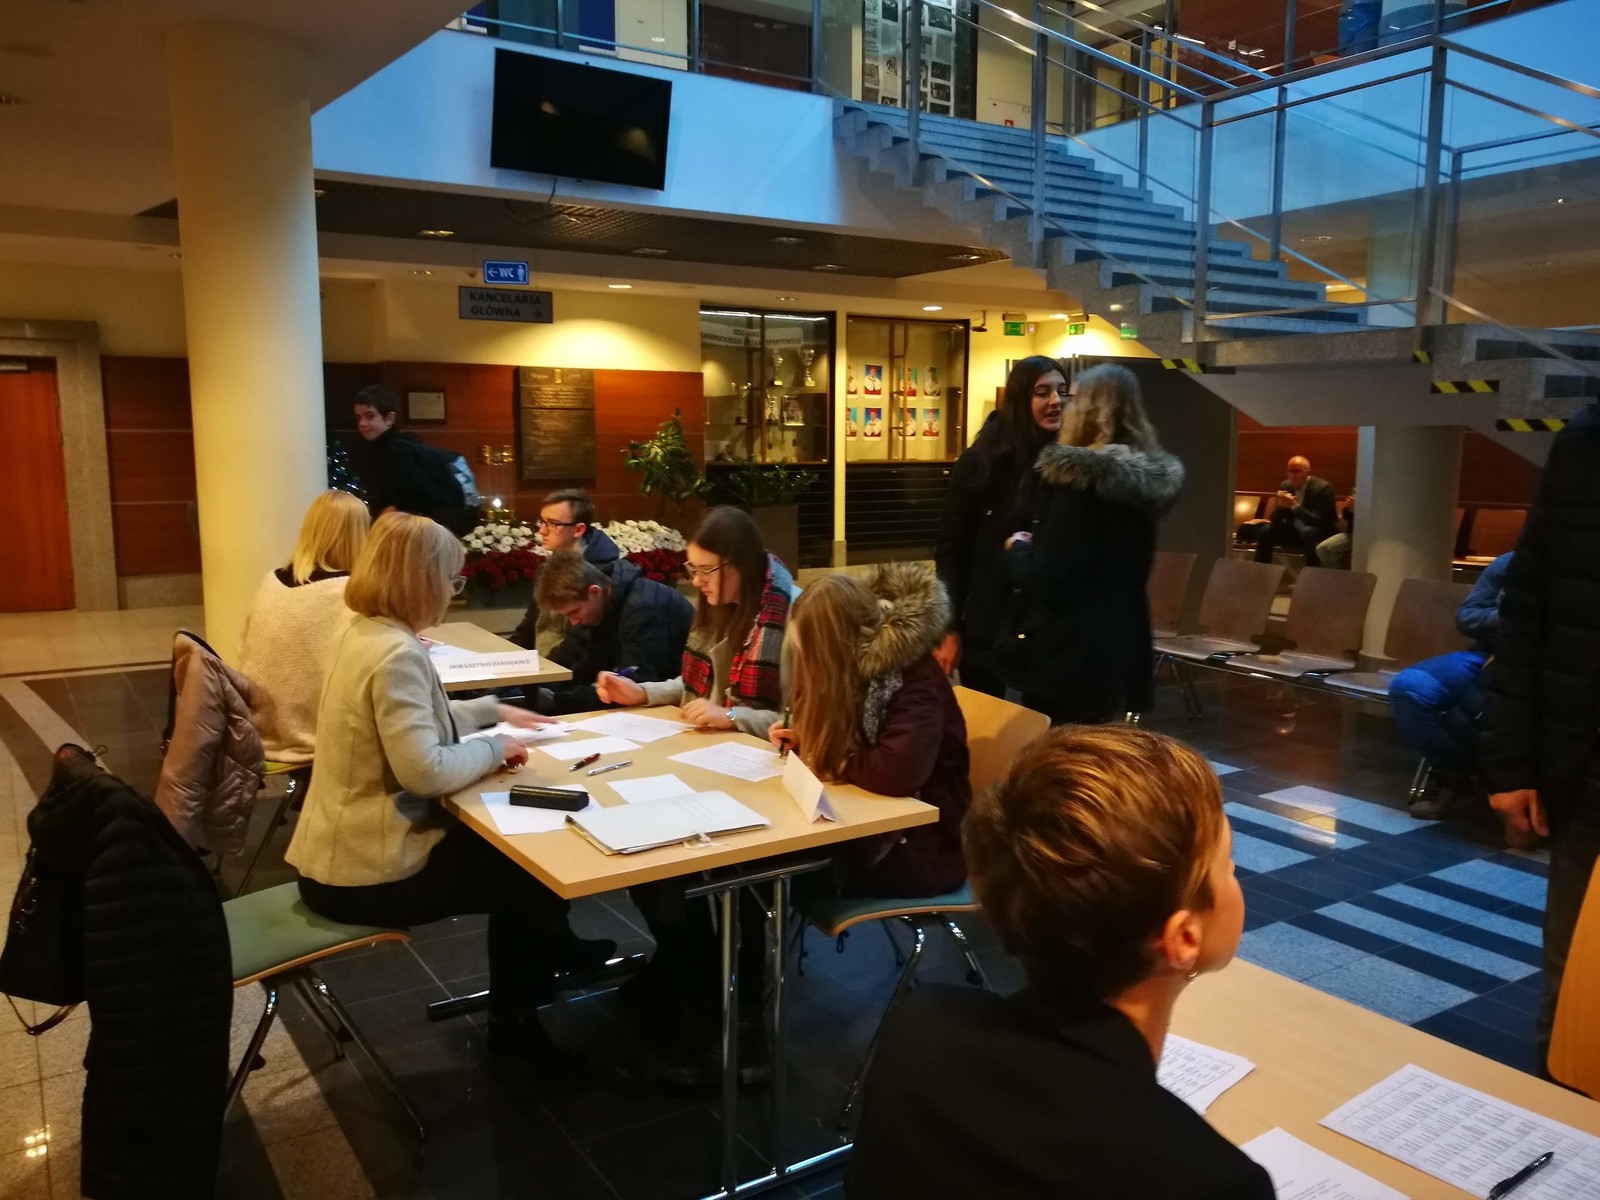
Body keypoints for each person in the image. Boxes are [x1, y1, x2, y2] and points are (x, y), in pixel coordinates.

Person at [848, 726, 1268, 1200]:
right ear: (1183, 938)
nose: (1236, 874)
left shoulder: (920, 1028)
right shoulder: (1209, 1180)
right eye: (1227, 863)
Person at [284, 513, 612, 1071]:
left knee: (517, 869)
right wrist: (498, 747)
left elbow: (414, 723)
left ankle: (547, 964)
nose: (453, 592)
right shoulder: (396, 653)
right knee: (527, 874)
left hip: (332, 854)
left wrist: (492, 711)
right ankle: (519, 1030)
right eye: (450, 579)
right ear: (420, 579)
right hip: (365, 872)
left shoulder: (364, 633)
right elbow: (426, 771)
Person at [1481, 401, 1600, 1072]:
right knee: (1576, 997)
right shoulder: (1585, 443)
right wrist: (1511, 764)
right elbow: (1525, 610)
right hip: (1587, 775)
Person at [768, 564, 970, 897]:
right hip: (872, 831)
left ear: (836, 648)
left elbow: (897, 771)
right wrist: (807, 738)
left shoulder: (912, 677)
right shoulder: (859, 667)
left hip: (921, 848)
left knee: (767, 870)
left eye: (813, 656)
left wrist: (834, 758)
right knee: (759, 862)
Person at [998, 364, 1184, 725]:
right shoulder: (1143, 485)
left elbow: (1049, 577)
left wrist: (1016, 548)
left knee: (1060, 746)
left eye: (1072, 399)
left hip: (1068, 649)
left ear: (1086, 410)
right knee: (1093, 743)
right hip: (1118, 638)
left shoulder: (1078, 484)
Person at [595, 505, 795, 737]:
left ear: (743, 566)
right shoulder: (727, 605)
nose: (697, 582)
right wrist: (642, 692)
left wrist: (731, 715)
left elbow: (798, 720)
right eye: (694, 569)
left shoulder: (790, 616)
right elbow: (698, 685)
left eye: (707, 570)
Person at [934, 355, 1066, 697]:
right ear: (1020, 398)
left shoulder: (1070, 463)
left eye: (1061, 391)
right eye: (1042, 392)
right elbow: (952, 550)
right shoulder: (981, 462)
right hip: (988, 624)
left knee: (1047, 724)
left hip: (1048, 628)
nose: (1055, 401)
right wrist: (949, 627)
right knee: (991, 719)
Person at [237, 490, 370, 763]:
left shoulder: (271, 580)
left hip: (257, 727)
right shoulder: (349, 592)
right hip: (316, 735)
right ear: (358, 534)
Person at [1390, 552, 1511, 820]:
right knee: (1408, 688)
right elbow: (1467, 617)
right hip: (1488, 654)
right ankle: (1456, 773)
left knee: (1496, 702)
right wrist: (1507, 617)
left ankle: (1504, 784)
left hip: (1552, 667)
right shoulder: (1510, 563)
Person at [527, 547, 693, 715]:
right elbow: (591, 663)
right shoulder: (606, 602)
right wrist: (545, 691)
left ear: (595, 592)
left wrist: (558, 700)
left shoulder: (643, 609)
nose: (573, 622)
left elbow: (635, 680)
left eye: (574, 612)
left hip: (677, 704)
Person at [508, 488, 621, 656]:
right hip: (543, 661)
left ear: (578, 529)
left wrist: (540, 670)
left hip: (565, 667)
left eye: (553, 524)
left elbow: (579, 645)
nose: (542, 530)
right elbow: (529, 624)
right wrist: (507, 656)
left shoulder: (601, 572)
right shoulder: (553, 564)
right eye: (542, 521)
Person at [1252, 455, 1338, 566]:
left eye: (1297, 471)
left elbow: (1321, 521)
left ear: (1307, 472)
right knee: (1265, 531)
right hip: (1295, 532)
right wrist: (1280, 507)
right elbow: (1275, 523)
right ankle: (1261, 571)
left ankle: (1312, 573)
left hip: (1320, 532)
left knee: (1307, 532)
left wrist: (1295, 507)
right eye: (1290, 471)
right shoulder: (1285, 486)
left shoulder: (1323, 488)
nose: (1292, 476)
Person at [1316, 493, 1356, 569]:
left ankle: (1335, 575)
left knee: (1323, 549)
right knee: (1321, 547)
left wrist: (1355, 508)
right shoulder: (1359, 491)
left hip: (1363, 535)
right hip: (1350, 532)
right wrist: (1350, 508)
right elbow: (1347, 517)